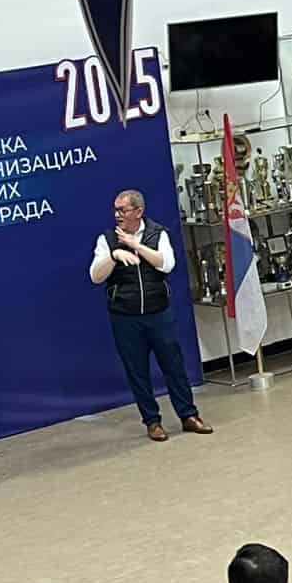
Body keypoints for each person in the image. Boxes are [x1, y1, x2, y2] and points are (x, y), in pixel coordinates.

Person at [91, 188, 212, 442]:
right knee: (137, 371)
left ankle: (188, 415)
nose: (117, 215)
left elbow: (166, 263)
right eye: (116, 210)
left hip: (159, 313)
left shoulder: (159, 234)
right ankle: (152, 421)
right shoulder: (107, 239)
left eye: (122, 210)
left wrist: (137, 246)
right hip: (125, 317)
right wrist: (114, 255)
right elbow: (95, 276)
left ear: (138, 211)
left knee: (174, 365)